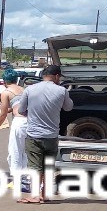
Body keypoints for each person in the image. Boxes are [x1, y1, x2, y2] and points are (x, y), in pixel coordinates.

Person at [17, 64, 73, 203]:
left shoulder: (30, 89)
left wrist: (31, 112)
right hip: (52, 136)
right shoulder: (62, 90)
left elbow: (20, 110)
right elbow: (68, 108)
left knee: (35, 166)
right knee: (48, 166)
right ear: (57, 76)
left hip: (34, 135)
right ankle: (45, 194)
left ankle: (35, 195)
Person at [0, 68, 29, 194]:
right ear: (16, 79)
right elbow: (14, 107)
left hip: (19, 123)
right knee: (25, 152)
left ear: (4, 82)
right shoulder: (23, 90)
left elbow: (3, 114)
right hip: (30, 122)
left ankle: (16, 181)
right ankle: (25, 179)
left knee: (14, 152)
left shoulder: (6, 93)